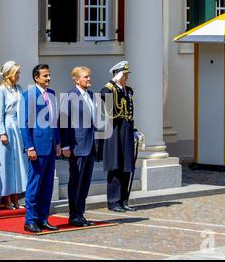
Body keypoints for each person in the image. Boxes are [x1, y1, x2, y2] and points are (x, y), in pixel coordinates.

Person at [20, 64, 62, 233]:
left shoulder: (51, 94)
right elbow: (24, 124)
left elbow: (54, 121)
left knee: (47, 185)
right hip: (37, 147)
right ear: (36, 78)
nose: (49, 78)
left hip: (50, 146)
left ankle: (43, 218)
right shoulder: (28, 95)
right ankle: (30, 220)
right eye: (45, 76)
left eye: (49, 75)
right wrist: (29, 146)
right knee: (34, 184)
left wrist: (58, 142)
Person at [0, 61, 28, 209]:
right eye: (16, 73)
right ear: (9, 74)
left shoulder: (19, 89)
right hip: (7, 128)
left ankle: (16, 197)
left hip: (18, 128)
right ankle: (6, 197)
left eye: (19, 72)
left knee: (18, 164)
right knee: (6, 164)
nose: (18, 75)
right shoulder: (1, 90)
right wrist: (2, 132)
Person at [60, 67, 97, 227]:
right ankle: (73, 215)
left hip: (90, 145)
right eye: (85, 77)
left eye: (89, 76)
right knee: (76, 181)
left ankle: (80, 213)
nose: (88, 79)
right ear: (76, 79)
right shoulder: (70, 96)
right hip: (77, 145)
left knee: (85, 182)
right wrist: (65, 145)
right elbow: (63, 122)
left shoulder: (90, 95)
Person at [99, 61, 138, 213]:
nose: (126, 77)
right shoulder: (110, 89)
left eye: (127, 75)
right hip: (114, 132)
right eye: (124, 74)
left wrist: (134, 129)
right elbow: (102, 95)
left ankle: (123, 200)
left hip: (126, 131)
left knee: (127, 166)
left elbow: (130, 112)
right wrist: (112, 81)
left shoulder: (128, 91)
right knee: (115, 167)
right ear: (116, 75)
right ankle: (113, 201)